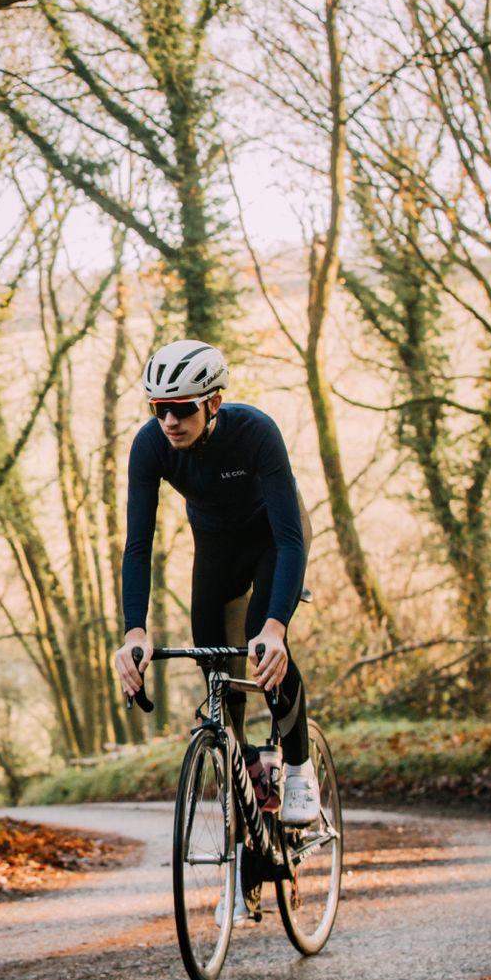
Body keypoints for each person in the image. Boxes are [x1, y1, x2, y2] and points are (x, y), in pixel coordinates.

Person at [110, 339, 321, 827]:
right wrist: (133, 632)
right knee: (215, 669)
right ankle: (246, 777)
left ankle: (298, 767)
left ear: (213, 403)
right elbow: (137, 545)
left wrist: (275, 627)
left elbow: (291, 540)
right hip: (218, 548)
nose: (170, 421)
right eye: (159, 408)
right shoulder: (150, 445)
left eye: (182, 408)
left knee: (264, 650)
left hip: (275, 537)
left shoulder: (255, 432)